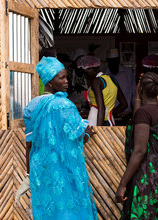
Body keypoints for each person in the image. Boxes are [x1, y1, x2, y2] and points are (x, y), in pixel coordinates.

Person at [22, 57, 98, 220]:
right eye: (61, 77)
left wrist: (29, 174)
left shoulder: (31, 107)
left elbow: (29, 144)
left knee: (48, 212)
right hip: (64, 171)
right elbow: (76, 136)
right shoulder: (64, 105)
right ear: (49, 81)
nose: (67, 81)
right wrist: (88, 135)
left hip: (41, 170)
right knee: (69, 212)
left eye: (66, 76)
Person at [115, 72, 158, 220]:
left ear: (141, 89)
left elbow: (139, 151)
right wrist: (138, 95)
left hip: (145, 176)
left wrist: (122, 185)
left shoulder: (144, 113)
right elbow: (138, 116)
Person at [77, 55, 127, 126]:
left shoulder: (96, 82)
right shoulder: (113, 79)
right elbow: (124, 104)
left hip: (96, 120)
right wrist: (110, 114)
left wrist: (99, 128)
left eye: (86, 73)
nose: (85, 76)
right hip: (110, 120)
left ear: (91, 69)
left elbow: (101, 108)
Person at [104, 48, 136, 125]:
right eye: (111, 62)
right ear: (108, 61)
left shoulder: (128, 72)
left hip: (127, 115)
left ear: (118, 60)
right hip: (110, 116)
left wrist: (134, 113)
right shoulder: (104, 75)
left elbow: (134, 94)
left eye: (115, 61)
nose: (113, 64)